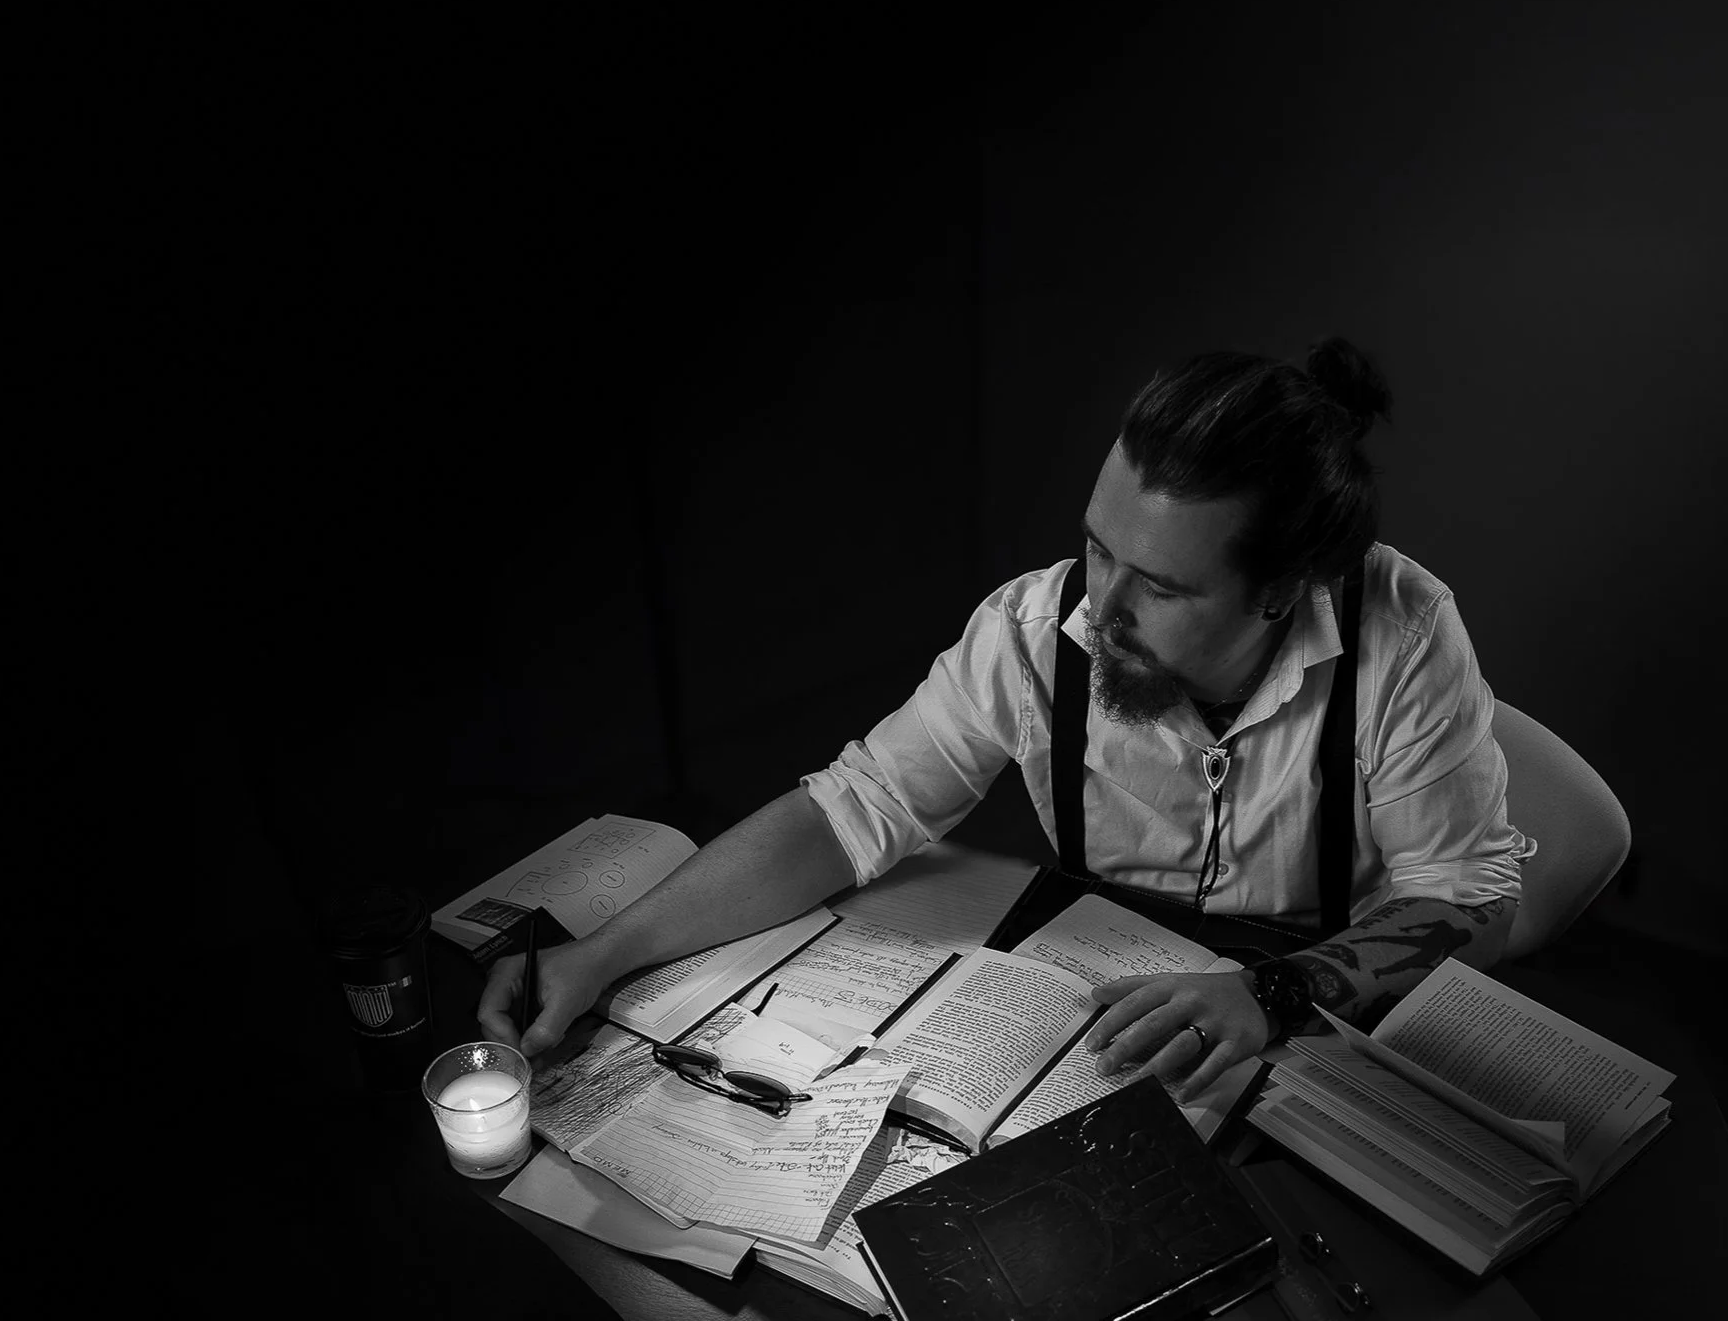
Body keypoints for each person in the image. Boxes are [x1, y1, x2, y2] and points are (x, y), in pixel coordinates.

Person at [482, 337, 1526, 1117]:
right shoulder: (1031, 630)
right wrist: (605, 954)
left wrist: (1273, 991)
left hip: (1304, 1020)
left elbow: (1473, 901)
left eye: (1161, 587)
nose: (1102, 609)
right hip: (1096, 1018)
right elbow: (849, 811)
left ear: (1283, 590)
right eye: (1098, 548)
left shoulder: (1402, 630)